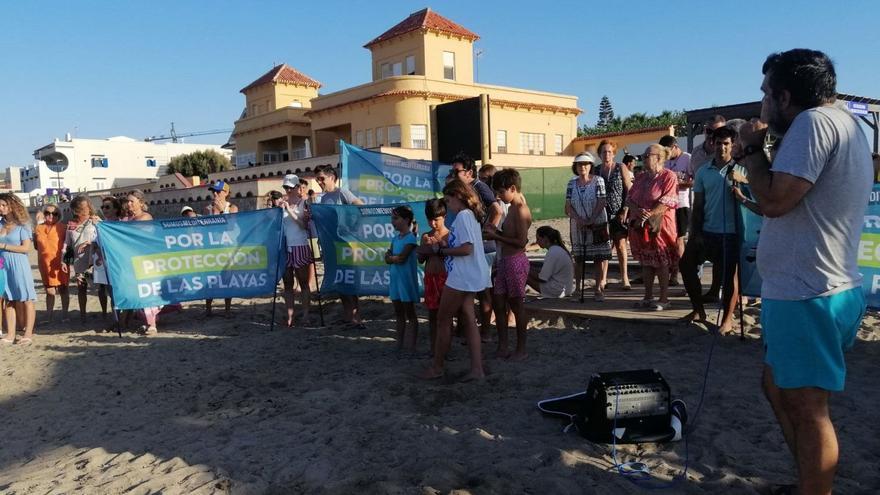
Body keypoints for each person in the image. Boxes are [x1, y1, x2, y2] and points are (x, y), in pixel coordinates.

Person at [739, 49, 872, 495]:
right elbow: (794, 202)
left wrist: (754, 151)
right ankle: (808, 483)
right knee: (778, 388)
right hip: (815, 288)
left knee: (807, 406)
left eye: (764, 94)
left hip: (808, 292)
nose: (760, 105)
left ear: (784, 95)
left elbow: (776, 202)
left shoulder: (813, 123)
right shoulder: (846, 124)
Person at [421, 179, 490, 382]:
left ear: (458, 197)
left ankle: (437, 367)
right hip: (469, 275)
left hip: (462, 276)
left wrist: (441, 250)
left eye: (449, 201)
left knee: (443, 320)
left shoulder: (463, 216)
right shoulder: (471, 216)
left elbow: (466, 248)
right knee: (469, 320)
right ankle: (477, 369)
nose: (448, 205)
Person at [679, 126, 740, 333]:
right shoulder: (704, 171)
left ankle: (727, 319)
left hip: (731, 233)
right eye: (718, 143)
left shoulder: (741, 170)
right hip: (706, 231)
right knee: (686, 264)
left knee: (730, 277)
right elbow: (698, 206)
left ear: (733, 145)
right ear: (712, 143)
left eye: (726, 144)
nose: (722, 148)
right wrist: (695, 234)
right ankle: (698, 310)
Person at [483, 169, 532, 360]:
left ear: (512, 188)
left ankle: (521, 349)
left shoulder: (520, 209)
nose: (499, 196)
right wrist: (495, 232)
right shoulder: (511, 207)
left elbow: (521, 242)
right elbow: (510, 236)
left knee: (517, 305)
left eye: (501, 192)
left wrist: (495, 235)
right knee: (498, 302)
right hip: (505, 260)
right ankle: (503, 346)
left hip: (515, 261)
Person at [626, 145, 678, 310]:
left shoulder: (668, 176)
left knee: (661, 262)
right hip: (641, 227)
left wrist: (650, 214)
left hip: (659, 226)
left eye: (647, 155)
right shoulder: (641, 177)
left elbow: (668, 200)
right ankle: (648, 296)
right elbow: (629, 198)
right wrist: (637, 211)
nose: (643, 157)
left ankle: (664, 298)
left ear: (658, 157)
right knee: (646, 261)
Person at [315, 164, 365, 328]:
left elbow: (360, 205)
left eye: (322, 178)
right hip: (331, 245)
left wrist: (351, 226)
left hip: (346, 244)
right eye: (317, 179)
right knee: (340, 280)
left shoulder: (341, 192)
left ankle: (357, 318)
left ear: (332, 177)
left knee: (349, 279)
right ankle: (347, 316)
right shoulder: (323, 198)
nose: (319, 182)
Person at [565, 152, 611, 301]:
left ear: (590, 165)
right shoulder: (571, 183)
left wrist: (591, 219)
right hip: (577, 225)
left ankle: (598, 289)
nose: (582, 166)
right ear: (575, 166)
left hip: (596, 223)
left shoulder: (599, 180)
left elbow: (602, 201)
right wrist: (579, 220)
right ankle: (578, 289)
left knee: (598, 257)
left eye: (585, 163)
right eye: (579, 164)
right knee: (578, 258)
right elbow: (568, 205)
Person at [120, 190, 160, 336]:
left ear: (141, 203)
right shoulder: (128, 219)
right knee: (138, 292)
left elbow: (141, 238)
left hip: (146, 260)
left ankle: (152, 324)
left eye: (132, 201)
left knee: (147, 292)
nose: (128, 204)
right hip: (132, 261)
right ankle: (146, 321)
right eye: (127, 201)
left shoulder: (145, 217)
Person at [0, 193, 37, 345]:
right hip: (3, 265)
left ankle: (28, 333)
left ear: (12, 206)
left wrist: (3, 246)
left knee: (26, 298)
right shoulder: (0, 224)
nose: (1, 208)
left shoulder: (23, 224)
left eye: (3, 205)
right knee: (9, 299)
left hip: (19, 264)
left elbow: (26, 248)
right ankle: (10, 334)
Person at [597, 140, 633, 290]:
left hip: (618, 212)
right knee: (604, 247)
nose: (607, 154)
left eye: (609, 152)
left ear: (614, 153)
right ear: (599, 154)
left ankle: (624, 277)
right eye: (604, 152)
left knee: (621, 245)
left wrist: (625, 209)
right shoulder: (596, 170)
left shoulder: (620, 167)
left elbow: (629, 189)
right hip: (601, 213)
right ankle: (603, 278)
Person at [280, 174, 315, 328]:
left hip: (300, 245)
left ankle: (306, 314)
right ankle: (290, 315)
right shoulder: (281, 204)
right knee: (287, 283)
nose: (287, 190)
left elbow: (304, 225)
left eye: (289, 187)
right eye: (285, 187)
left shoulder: (304, 203)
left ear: (296, 187)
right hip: (285, 247)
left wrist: (289, 209)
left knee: (303, 283)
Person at [417, 199, 449, 357]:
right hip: (430, 277)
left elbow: (450, 255)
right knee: (432, 314)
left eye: (436, 219)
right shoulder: (425, 235)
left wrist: (440, 244)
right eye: (430, 219)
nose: (433, 223)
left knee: (446, 315)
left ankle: (445, 348)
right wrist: (426, 247)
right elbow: (420, 259)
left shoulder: (449, 235)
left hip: (445, 278)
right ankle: (433, 348)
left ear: (444, 216)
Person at [385, 205, 420, 352]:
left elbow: (401, 258)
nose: (393, 222)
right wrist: (392, 258)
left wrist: (391, 258)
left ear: (406, 220)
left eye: (395, 218)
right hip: (396, 281)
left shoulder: (411, 238)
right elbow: (390, 258)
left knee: (410, 313)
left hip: (406, 281)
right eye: (392, 218)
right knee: (399, 313)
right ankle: (399, 344)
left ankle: (411, 346)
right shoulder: (395, 238)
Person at [659, 135, 692, 287]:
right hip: (667, 205)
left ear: (675, 147)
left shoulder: (687, 159)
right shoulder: (665, 161)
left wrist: (678, 183)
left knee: (679, 239)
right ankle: (670, 270)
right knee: (668, 239)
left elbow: (694, 180)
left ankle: (677, 274)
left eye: (667, 151)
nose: (666, 155)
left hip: (682, 204)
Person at [204, 180, 238, 318]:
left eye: (218, 191)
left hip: (227, 248)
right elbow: (207, 228)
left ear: (226, 193)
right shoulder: (208, 208)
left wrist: (222, 210)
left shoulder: (232, 208)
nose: (215, 194)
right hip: (212, 248)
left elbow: (230, 226)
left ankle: (227, 309)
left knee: (227, 278)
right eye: (214, 191)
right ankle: (208, 308)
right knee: (209, 279)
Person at [66, 196, 99, 324]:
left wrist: (90, 242)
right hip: (79, 261)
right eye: (81, 208)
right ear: (75, 210)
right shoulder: (71, 224)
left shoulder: (95, 220)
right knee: (81, 287)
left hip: (94, 259)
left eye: (86, 207)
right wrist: (65, 261)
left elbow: (102, 237)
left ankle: (104, 313)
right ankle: (83, 315)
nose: (85, 211)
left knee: (101, 288)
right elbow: (67, 244)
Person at [34, 203, 69, 323]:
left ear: (59, 215)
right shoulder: (38, 228)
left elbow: (68, 246)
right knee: (49, 291)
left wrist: (66, 261)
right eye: (47, 213)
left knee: (63, 289)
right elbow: (36, 246)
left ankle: (65, 315)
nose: (51, 215)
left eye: (54, 213)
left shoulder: (64, 227)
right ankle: (49, 316)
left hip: (60, 262)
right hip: (45, 264)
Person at [94, 196, 121, 321]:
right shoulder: (102, 224)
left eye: (107, 207)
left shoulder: (119, 225)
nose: (104, 209)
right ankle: (116, 319)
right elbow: (97, 243)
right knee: (109, 292)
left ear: (116, 209)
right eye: (103, 207)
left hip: (116, 262)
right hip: (103, 262)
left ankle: (122, 319)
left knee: (117, 292)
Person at [527, 226, 574, 298]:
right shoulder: (558, 249)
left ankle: (518, 297)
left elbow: (542, 278)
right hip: (566, 289)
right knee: (530, 268)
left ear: (545, 238)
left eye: (538, 239)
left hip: (557, 291)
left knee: (522, 274)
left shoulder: (552, 252)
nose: (536, 242)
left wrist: (525, 269)